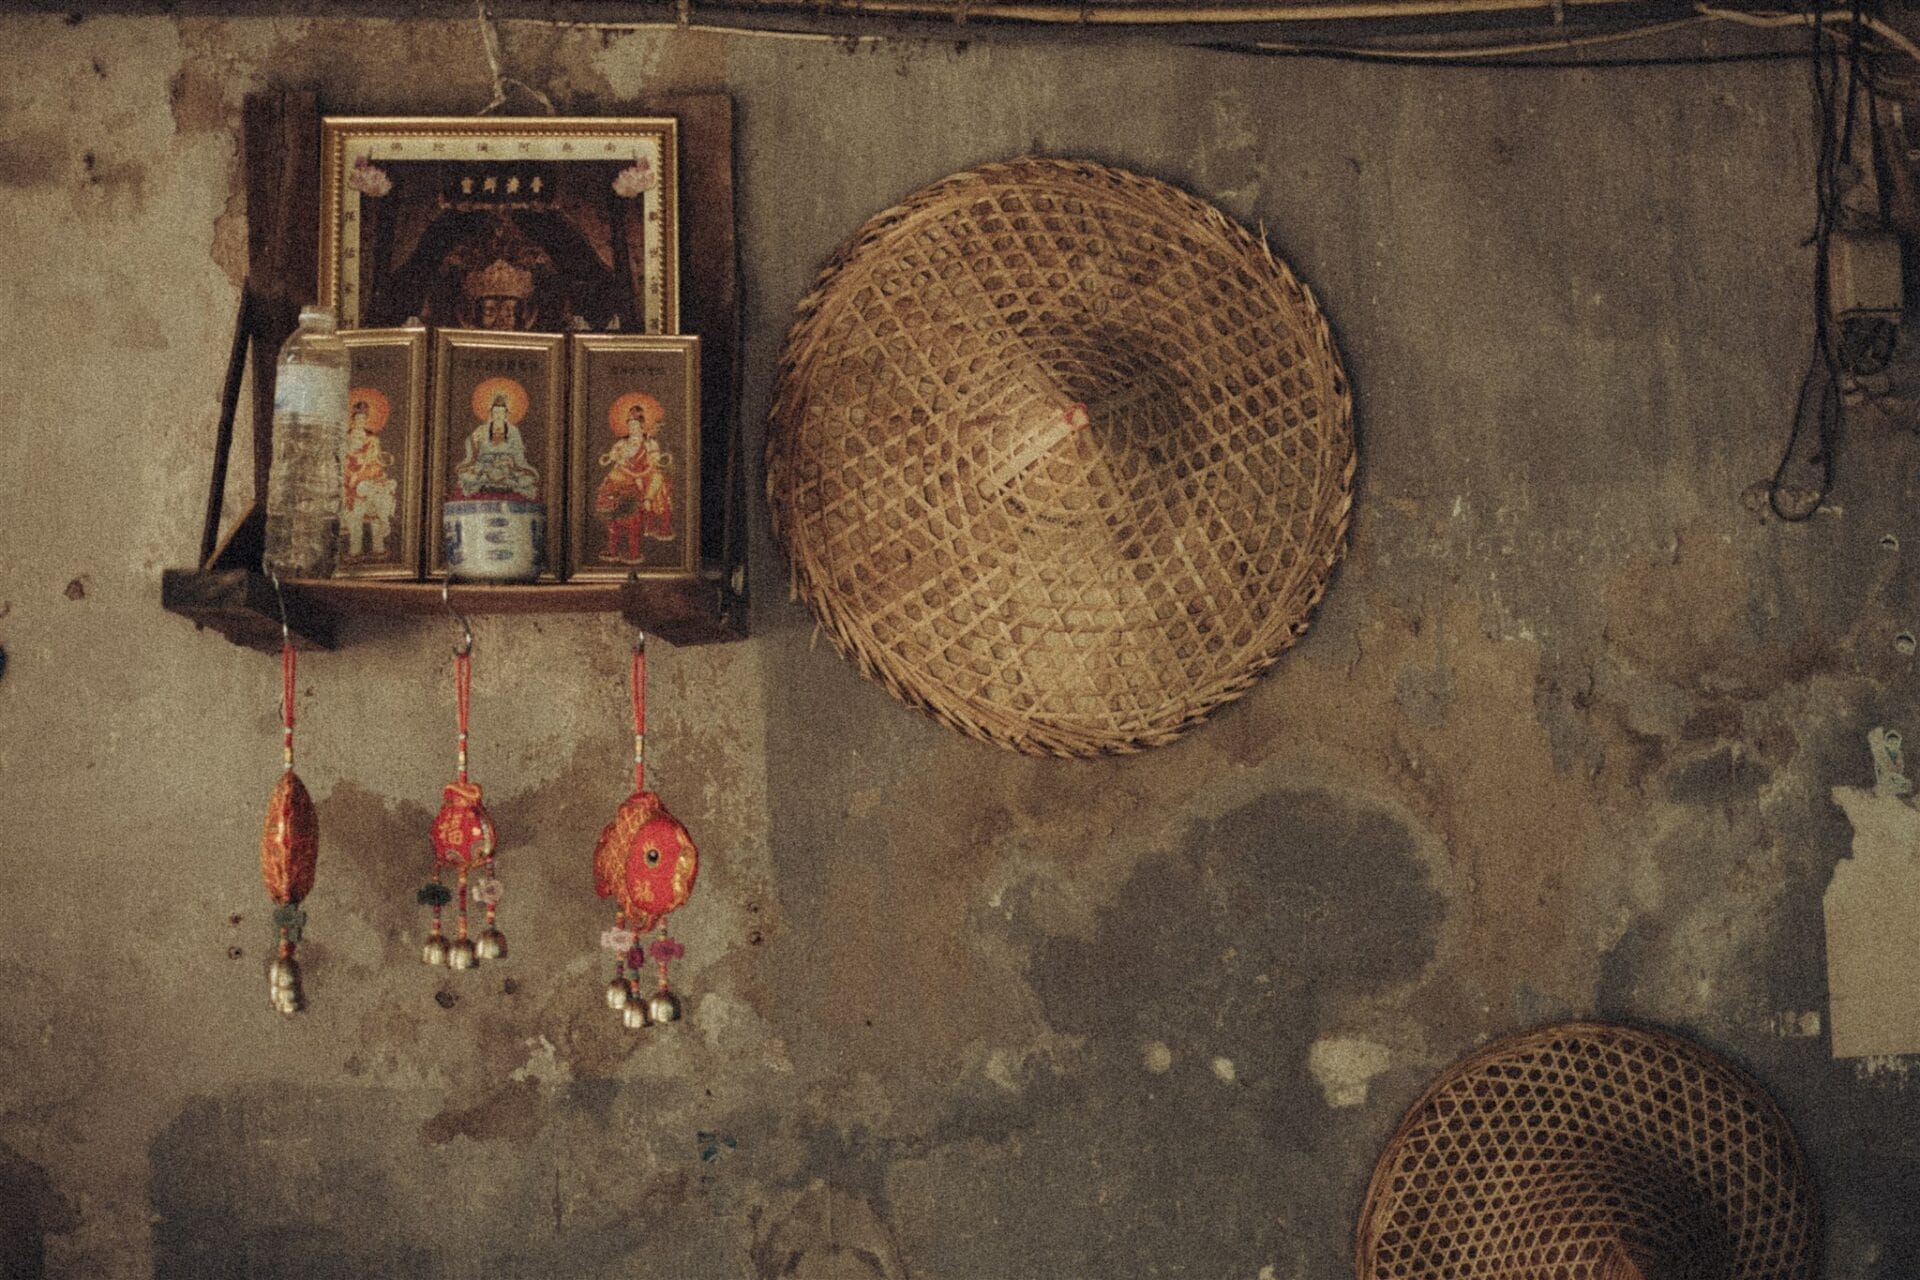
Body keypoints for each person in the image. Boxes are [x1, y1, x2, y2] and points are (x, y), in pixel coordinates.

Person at [594, 400, 674, 560]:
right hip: (625, 473)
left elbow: (654, 462)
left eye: (636, 425)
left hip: (645, 472)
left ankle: (648, 500)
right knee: (612, 479)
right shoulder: (622, 443)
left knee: (658, 478)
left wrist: (643, 471)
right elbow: (612, 458)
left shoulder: (650, 443)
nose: (633, 428)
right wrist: (614, 457)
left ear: (642, 426)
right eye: (630, 425)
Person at [454, 392, 540, 501]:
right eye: (496, 412)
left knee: (528, 479)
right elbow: (474, 451)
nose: (498, 415)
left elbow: (518, 451)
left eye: (501, 412)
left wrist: (509, 460)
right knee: (466, 476)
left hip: (508, 466)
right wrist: (473, 441)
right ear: (491, 413)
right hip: (485, 466)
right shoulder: (482, 429)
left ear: (506, 414)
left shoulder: (513, 431)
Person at [341, 398, 398, 557]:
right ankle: (355, 550)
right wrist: (352, 473)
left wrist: (368, 468)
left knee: (378, 506)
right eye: (358, 418)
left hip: (368, 477)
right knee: (355, 515)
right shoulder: (345, 438)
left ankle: (378, 548)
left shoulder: (372, 439)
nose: (361, 421)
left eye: (363, 418)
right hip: (350, 479)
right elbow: (342, 459)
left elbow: (377, 460)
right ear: (353, 419)